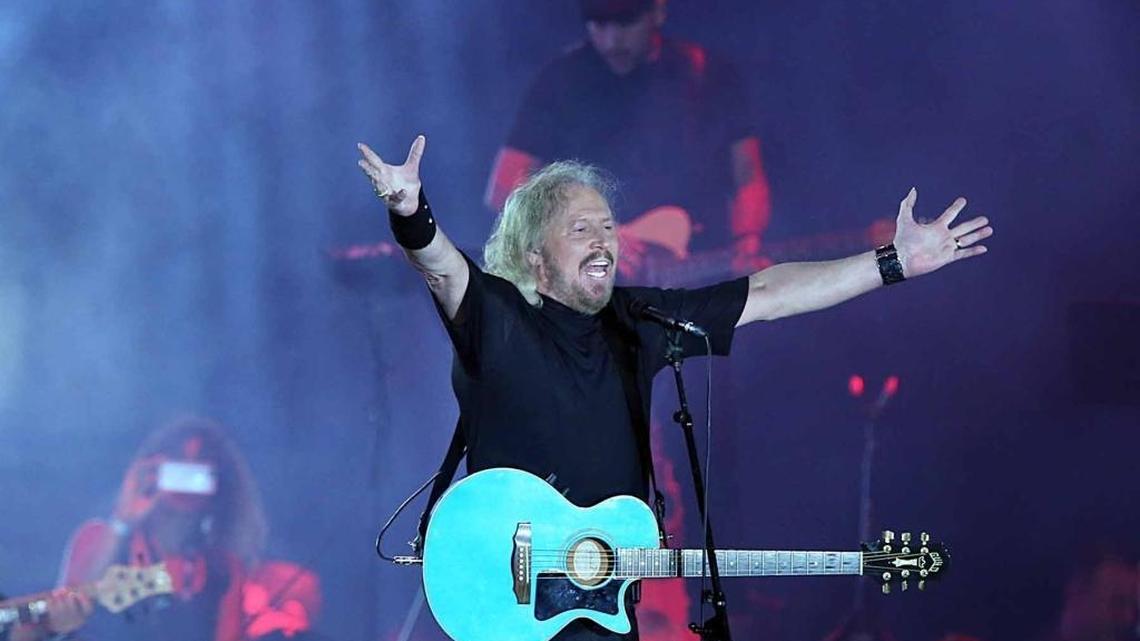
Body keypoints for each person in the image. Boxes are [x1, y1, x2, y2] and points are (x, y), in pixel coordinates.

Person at [357, 135, 992, 640]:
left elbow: (767, 293)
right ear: (534, 255)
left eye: (607, 227)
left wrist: (893, 263)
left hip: (604, 609)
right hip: (507, 605)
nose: (604, 240)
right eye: (581, 229)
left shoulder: (640, 322)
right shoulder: (496, 317)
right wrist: (411, 211)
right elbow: (441, 268)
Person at [486, 0, 772, 277]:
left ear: (657, 11)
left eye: (626, 22)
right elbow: (503, 188)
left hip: (699, 270)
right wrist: (585, 231)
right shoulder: (560, 81)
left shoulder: (708, 73)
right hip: (603, 285)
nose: (611, 40)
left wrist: (747, 241)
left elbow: (748, 175)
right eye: (599, 24)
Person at [11, 416, 320, 641]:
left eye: (199, 469)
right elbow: (62, 608)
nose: (186, 480)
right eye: (178, 465)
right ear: (153, 472)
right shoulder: (102, 536)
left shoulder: (224, 569)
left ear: (219, 484)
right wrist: (124, 517)